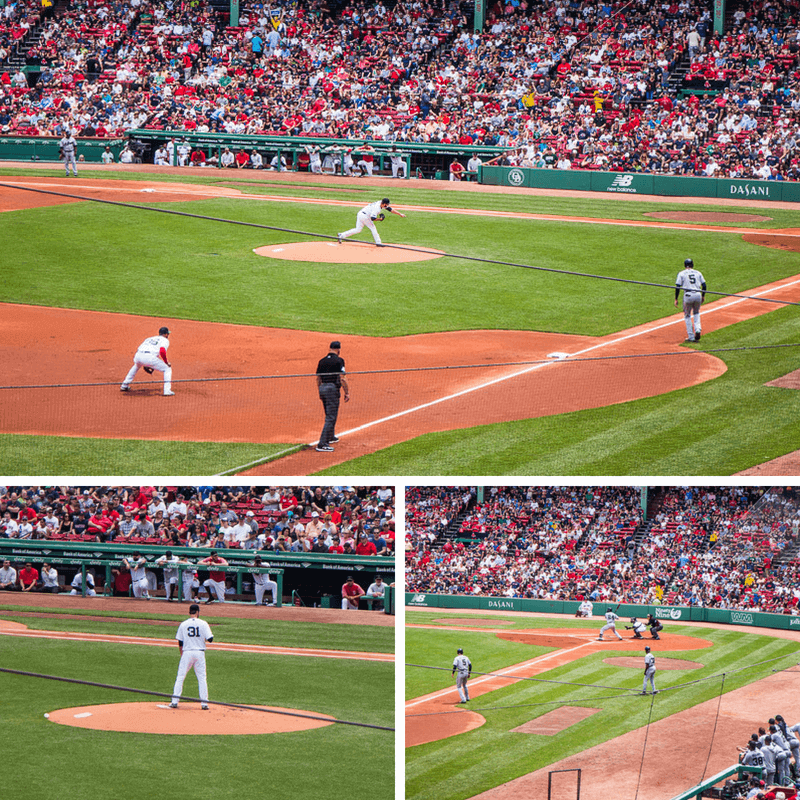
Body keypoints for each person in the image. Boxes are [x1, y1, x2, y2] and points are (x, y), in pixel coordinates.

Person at [170, 603, 212, 710]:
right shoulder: (203, 623)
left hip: (187, 652)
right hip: (200, 653)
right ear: (198, 612)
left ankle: (174, 701)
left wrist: (182, 654)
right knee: (202, 678)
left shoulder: (183, 624)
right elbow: (210, 639)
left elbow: (180, 642)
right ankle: (204, 704)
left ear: (189, 612)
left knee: (180, 677)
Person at [315, 340, 350, 452]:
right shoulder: (339, 360)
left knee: (329, 413)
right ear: (338, 349)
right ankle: (322, 443)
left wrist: (319, 391)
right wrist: (347, 392)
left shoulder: (322, 361)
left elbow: (318, 378)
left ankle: (330, 436)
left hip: (323, 388)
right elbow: (342, 377)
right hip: (332, 389)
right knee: (331, 416)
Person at [120, 326, 173, 395]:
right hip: (149, 357)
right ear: (166, 334)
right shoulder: (165, 340)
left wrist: (146, 363)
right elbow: (162, 351)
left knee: (137, 365)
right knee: (167, 369)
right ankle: (167, 391)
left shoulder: (149, 338)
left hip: (138, 355)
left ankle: (124, 385)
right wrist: (166, 362)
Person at [337, 198, 406, 247]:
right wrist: (380, 219)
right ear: (383, 203)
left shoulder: (380, 203)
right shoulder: (377, 208)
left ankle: (342, 235)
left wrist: (400, 214)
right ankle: (378, 243)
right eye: (386, 204)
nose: (387, 206)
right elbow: (373, 218)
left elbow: (390, 209)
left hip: (360, 214)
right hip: (365, 216)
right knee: (373, 228)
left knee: (358, 229)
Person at [675, 257, 706, 342]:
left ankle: (691, 337)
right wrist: (703, 296)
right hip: (698, 294)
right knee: (696, 313)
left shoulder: (681, 273)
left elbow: (677, 287)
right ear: (692, 265)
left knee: (687, 315)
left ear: (685, 265)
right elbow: (704, 286)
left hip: (688, 296)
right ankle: (698, 329)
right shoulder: (698, 273)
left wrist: (676, 299)